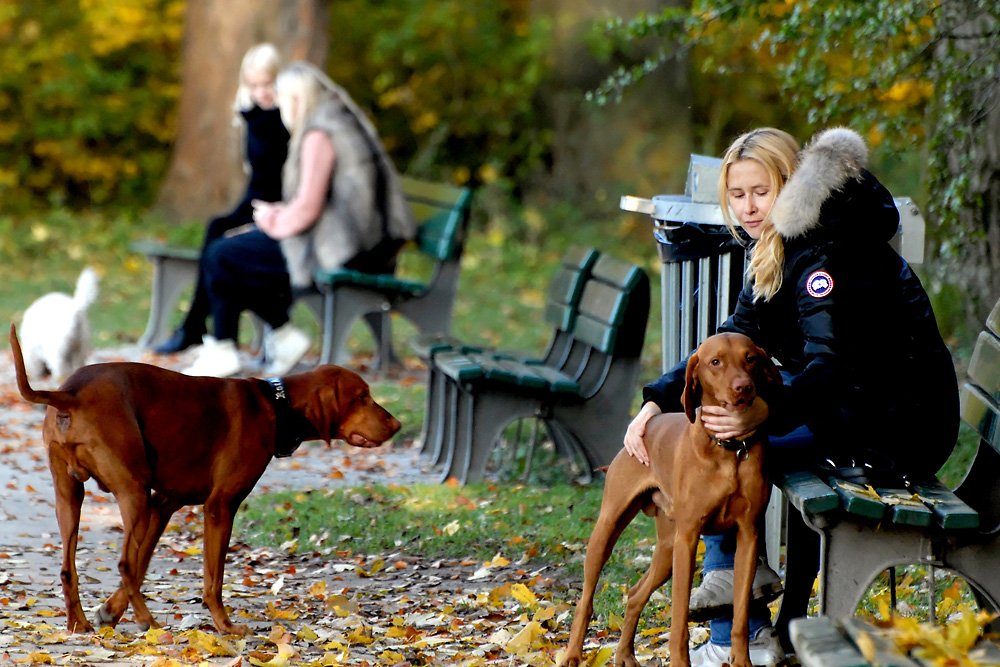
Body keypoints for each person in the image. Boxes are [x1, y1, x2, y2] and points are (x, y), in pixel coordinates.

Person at [623, 127, 958, 666]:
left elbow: (829, 367)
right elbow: (734, 333)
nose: (749, 207)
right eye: (737, 194)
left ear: (789, 186)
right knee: (730, 443)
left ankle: (743, 610)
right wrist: (656, 401)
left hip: (901, 424)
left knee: (744, 447)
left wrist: (766, 411)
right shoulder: (775, 247)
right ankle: (758, 610)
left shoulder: (823, 253)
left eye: (761, 191)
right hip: (855, 409)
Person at [250, 61, 416, 369]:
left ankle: (280, 336)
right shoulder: (336, 119)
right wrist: (279, 215)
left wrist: (272, 222)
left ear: (296, 99)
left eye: (283, 98)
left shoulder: (318, 134)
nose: (280, 106)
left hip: (353, 248)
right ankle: (278, 335)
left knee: (232, 258)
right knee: (237, 252)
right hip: (373, 242)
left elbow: (309, 208)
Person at [156, 43, 289, 366]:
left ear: (279, 80)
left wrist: (264, 217)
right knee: (217, 229)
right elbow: (256, 177)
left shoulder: (281, 120)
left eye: (267, 84)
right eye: (254, 85)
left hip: (275, 206)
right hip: (255, 200)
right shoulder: (254, 117)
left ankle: (200, 329)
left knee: (221, 241)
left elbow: (278, 181)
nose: (262, 92)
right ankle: (199, 328)